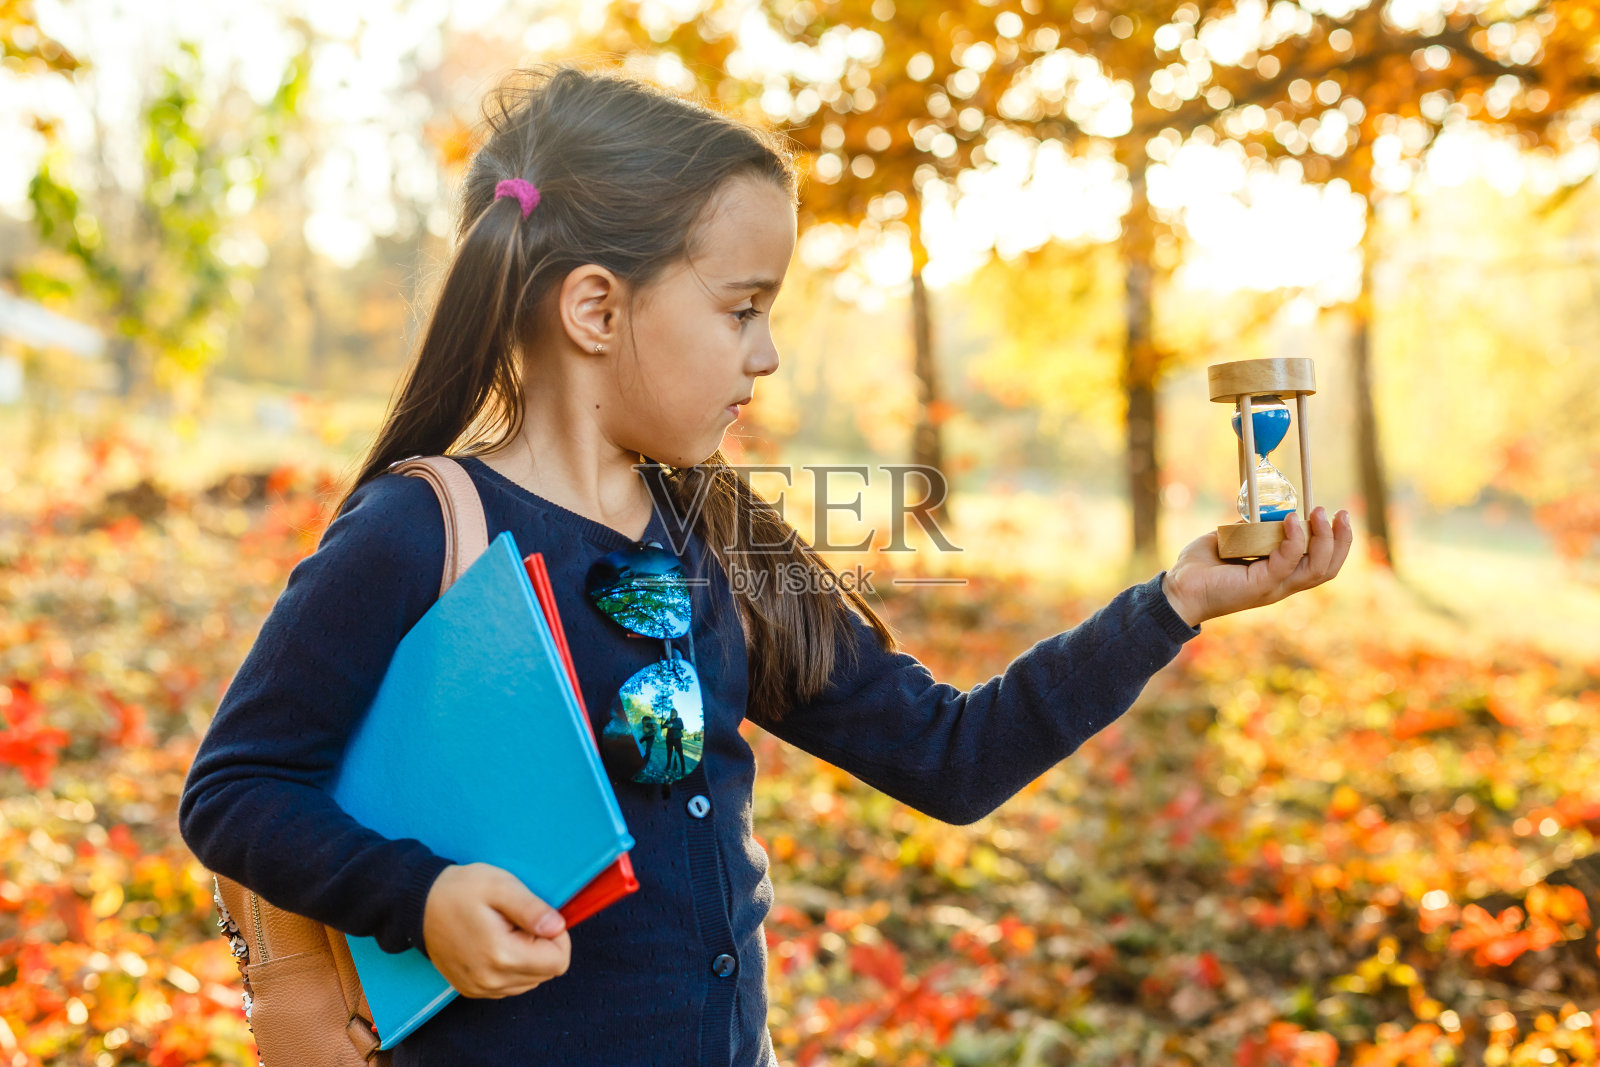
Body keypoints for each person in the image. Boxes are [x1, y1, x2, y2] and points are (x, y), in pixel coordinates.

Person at [178, 63, 1352, 1066]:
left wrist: (1174, 602)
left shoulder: (722, 536)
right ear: (595, 308)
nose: (769, 353)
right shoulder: (417, 528)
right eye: (742, 308)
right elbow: (236, 788)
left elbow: (949, 754)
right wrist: (422, 896)